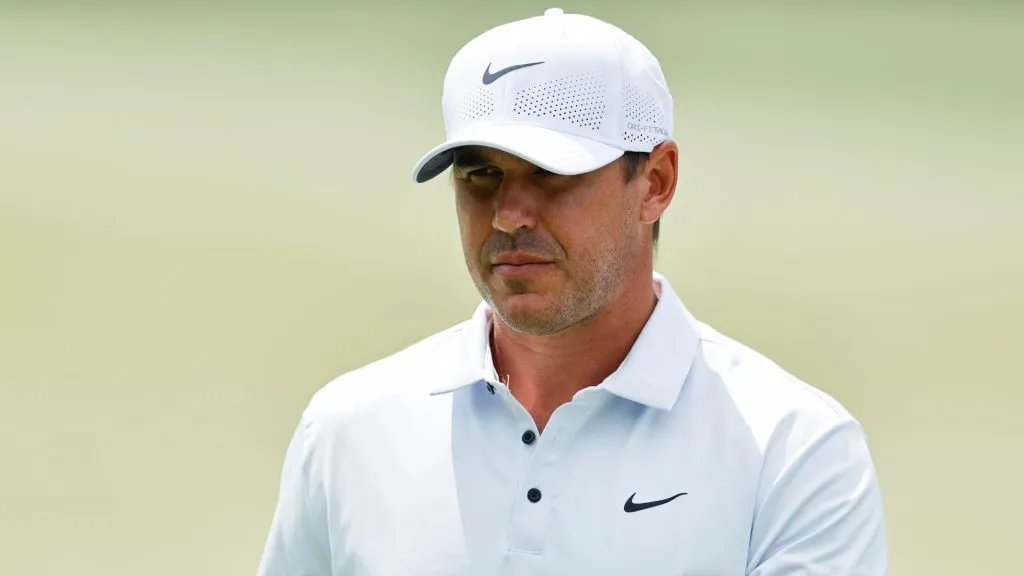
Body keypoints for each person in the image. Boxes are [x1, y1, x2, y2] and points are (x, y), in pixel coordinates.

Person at [257, 8, 888, 576]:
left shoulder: (794, 449)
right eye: (480, 174)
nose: (509, 214)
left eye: (552, 174)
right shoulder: (347, 430)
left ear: (656, 182)